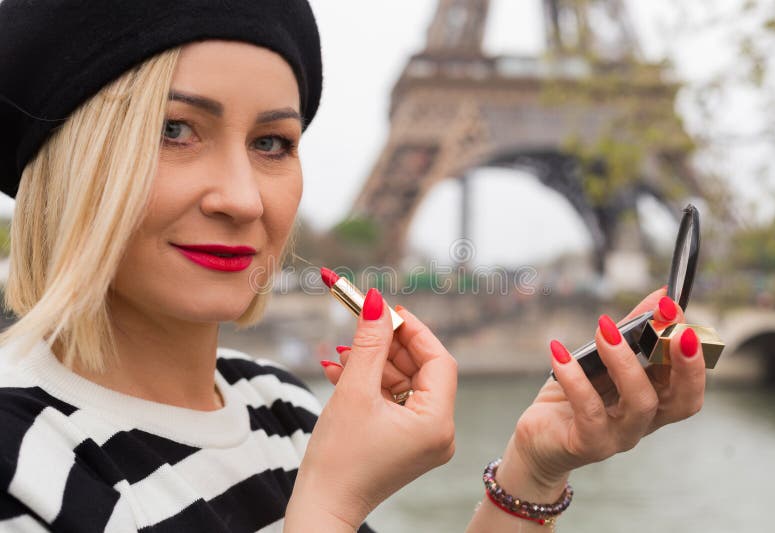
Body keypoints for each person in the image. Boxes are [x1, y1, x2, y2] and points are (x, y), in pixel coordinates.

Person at [0, 1, 707, 531]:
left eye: (273, 142)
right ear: (69, 159)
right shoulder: (16, 459)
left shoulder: (284, 407)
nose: (243, 198)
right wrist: (329, 504)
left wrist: (534, 467)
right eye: (174, 129)